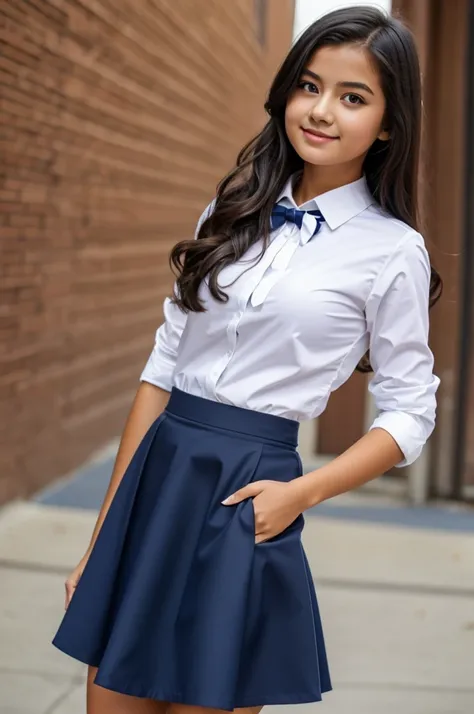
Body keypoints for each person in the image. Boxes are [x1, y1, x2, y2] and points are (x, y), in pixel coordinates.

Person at [52, 6, 442, 713]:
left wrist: (303, 494)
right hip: (158, 482)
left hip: (247, 496)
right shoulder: (232, 207)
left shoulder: (391, 252)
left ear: (387, 123)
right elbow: (162, 369)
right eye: (309, 86)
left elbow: (412, 412)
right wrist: (102, 541)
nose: (322, 111)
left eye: (352, 97)